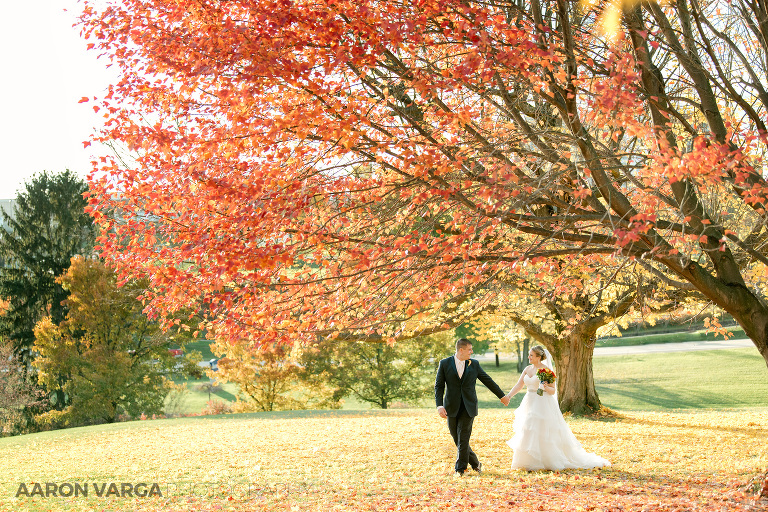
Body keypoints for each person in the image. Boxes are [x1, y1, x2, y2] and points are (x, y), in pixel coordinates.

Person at [503, 345, 610, 471]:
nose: (529, 357)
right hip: (529, 401)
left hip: (542, 403)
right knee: (528, 429)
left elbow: (553, 390)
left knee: (541, 430)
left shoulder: (547, 370)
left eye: (531, 355)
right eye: (529, 355)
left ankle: (545, 461)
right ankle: (526, 462)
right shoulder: (527, 369)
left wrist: (545, 387)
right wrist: (508, 396)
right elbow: (519, 385)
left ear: (538, 357)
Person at [435, 338, 510, 476]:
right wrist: (439, 406)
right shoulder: (444, 363)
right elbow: (439, 386)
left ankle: (460, 469)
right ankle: (476, 463)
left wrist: (502, 396)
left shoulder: (474, 364)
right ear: (461, 350)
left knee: (463, 438)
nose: (472, 351)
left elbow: (488, 381)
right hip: (451, 407)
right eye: (470, 349)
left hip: (469, 407)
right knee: (457, 439)